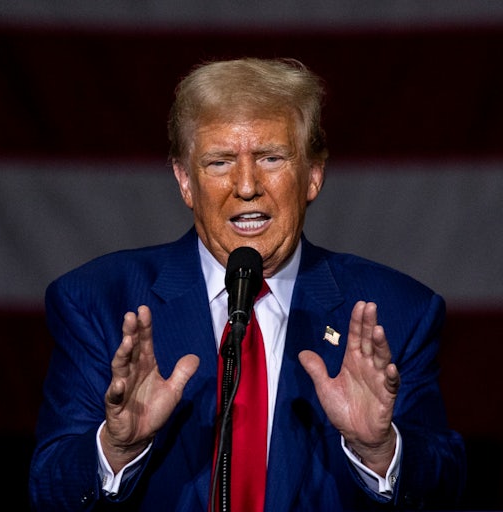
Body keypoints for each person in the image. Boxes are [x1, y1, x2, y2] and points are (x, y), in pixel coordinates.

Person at [28, 57, 467, 511]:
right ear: (184, 181)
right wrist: (116, 449)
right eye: (219, 162)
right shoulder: (99, 300)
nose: (246, 186)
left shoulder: (398, 311)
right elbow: (49, 490)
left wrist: (379, 450)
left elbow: (446, 488)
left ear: (313, 175)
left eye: (271, 158)